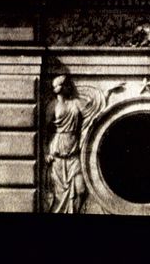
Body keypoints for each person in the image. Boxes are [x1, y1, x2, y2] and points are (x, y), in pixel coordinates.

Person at [45, 75, 88, 214]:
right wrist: (46, 152)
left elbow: (92, 111)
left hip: (74, 153)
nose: (70, 87)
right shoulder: (52, 106)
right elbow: (45, 131)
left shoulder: (75, 103)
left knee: (81, 190)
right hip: (57, 154)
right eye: (66, 85)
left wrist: (108, 93)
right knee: (58, 196)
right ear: (60, 88)